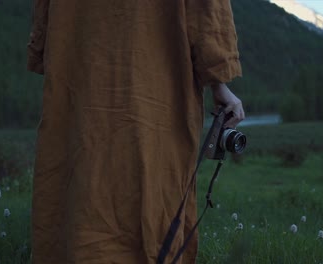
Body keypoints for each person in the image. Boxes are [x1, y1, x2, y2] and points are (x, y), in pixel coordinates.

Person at [27, 0, 244, 263]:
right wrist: (218, 79)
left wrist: (44, 45)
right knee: (152, 189)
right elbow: (206, 9)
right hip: (157, 88)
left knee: (82, 191)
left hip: (80, 77)